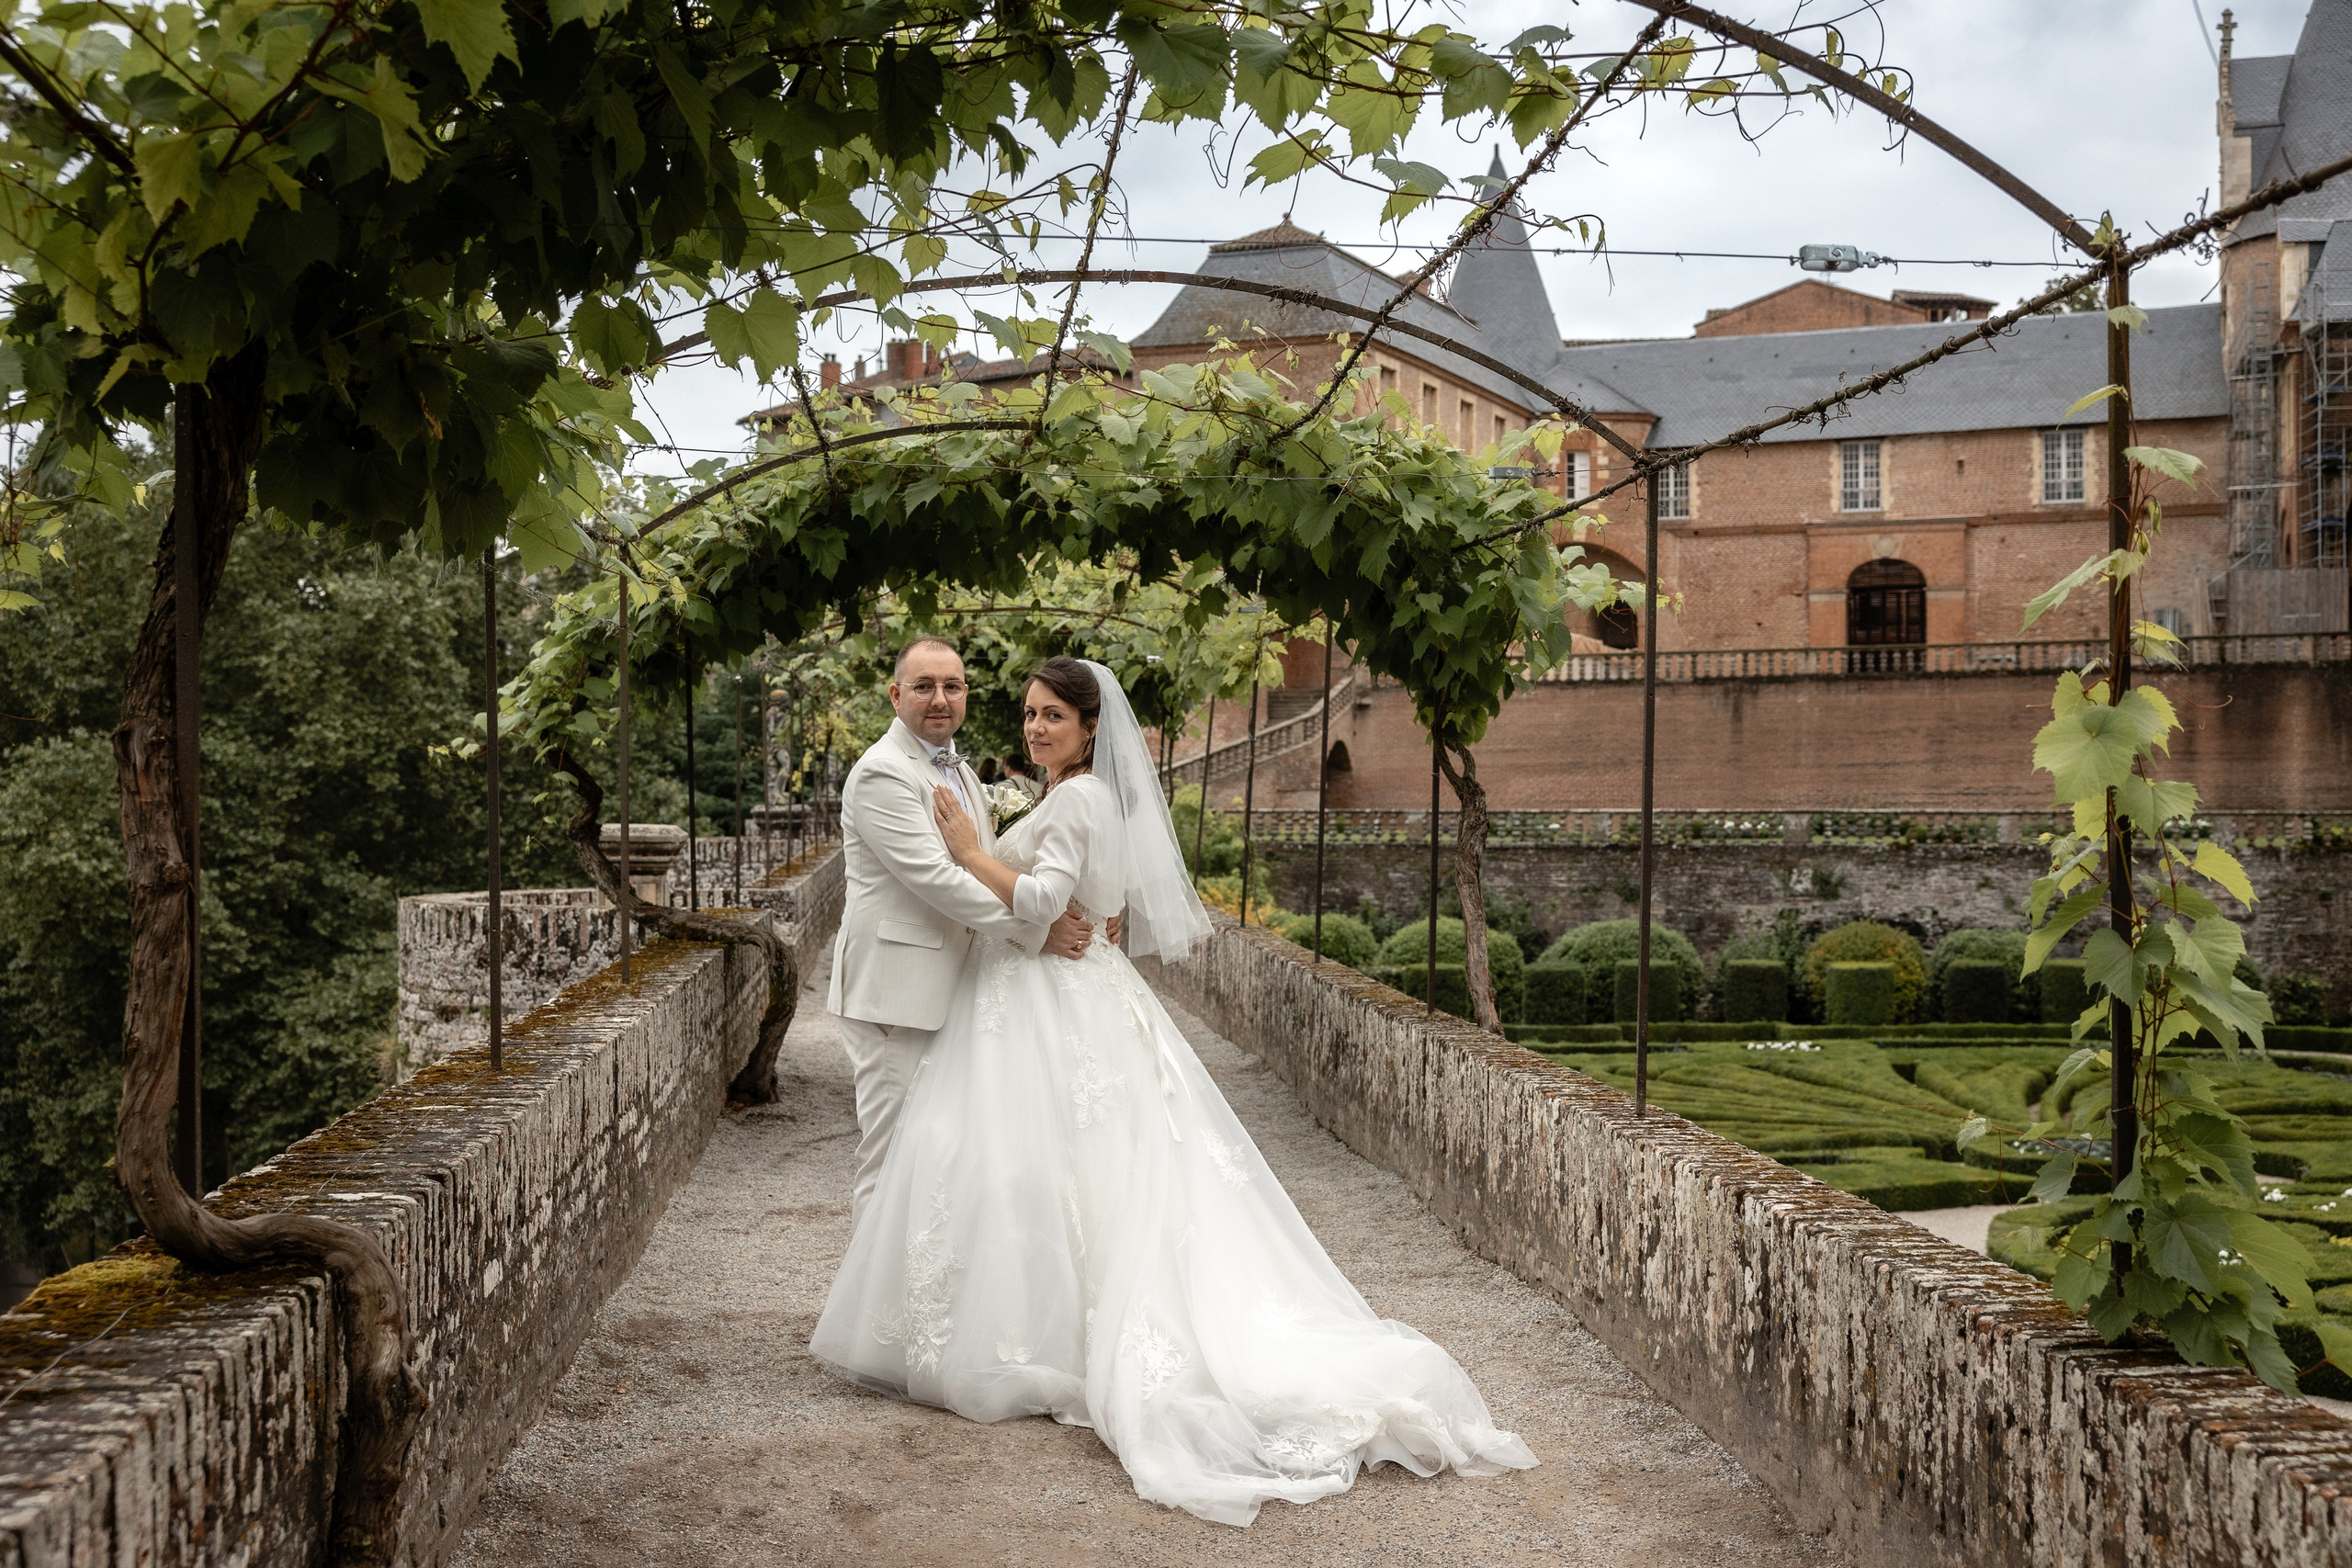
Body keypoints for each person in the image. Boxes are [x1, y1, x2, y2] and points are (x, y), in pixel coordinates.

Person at [811, 656, 1534, 1525]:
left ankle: (960, 1332)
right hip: (986, 989)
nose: (1035, 727)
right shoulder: (919, 777)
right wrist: (1039, 909)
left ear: (1089, 728)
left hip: (1043, 993)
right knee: (970, 1159)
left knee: (1021, 1163)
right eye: (1030, 714)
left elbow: (1019, 888)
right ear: (896, 694)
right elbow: (998, 890)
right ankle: (910, 1323)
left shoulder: (1062, 795)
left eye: (1052, 716)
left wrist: (988, 864)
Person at [828, 637, 1100, 1224]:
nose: (939, 699)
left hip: (953, 990)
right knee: (893, 1155)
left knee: (941, 1156)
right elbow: (937, 879)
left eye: (952, 686)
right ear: (896, 694)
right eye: (923, 686)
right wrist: (1037, 930)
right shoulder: (883, 773)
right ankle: (873, 1312)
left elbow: (990, 859)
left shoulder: (957, 769)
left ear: (966, 695)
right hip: (896, 995)